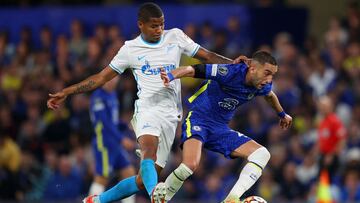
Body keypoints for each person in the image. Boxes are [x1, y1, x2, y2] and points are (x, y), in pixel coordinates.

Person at [47, 2, 239, 203]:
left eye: (162, 24)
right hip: (147, 109)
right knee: (149, 151)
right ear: (141, 25)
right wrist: (67, 91)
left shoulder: (175, 36)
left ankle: (97, 200)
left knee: (141, 180)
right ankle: (156, 196)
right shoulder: (130, 49)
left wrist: (235, 65)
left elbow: (208, 56)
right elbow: (101, 78)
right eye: (154, 25)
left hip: (172, 114)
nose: (159, 30)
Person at [155, 51, 292, 203]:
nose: (269, 79)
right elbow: (193, 70)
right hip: (198, 120)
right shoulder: (228, 72)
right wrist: (171, 75)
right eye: (267, 73)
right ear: (252, 68)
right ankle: (162, 197)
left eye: (272, 75)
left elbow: (270, 95)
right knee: (189, 166)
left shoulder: (262, 85)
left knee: (262, 154)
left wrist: (282, 114)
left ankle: (231, 199)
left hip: (220, 129)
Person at [88, 76, 136, 203]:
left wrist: (125, 125)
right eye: (110, 78)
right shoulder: (98, 97)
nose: (113, 81)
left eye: (115, 78)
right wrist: (122, 139)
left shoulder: (113, 94)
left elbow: (113, 120)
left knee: (129, 173)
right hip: (103, 143)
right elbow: (104, 123)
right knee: (102, 176)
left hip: (115, 143)